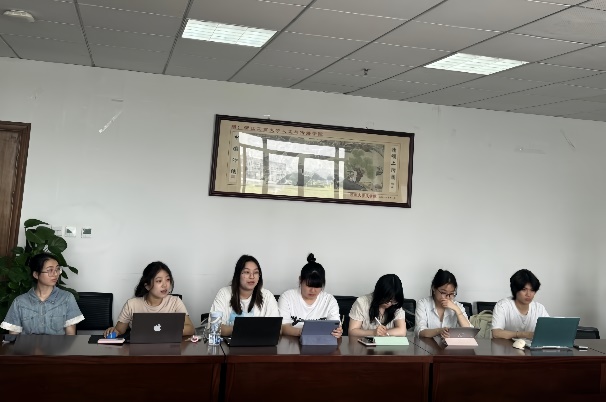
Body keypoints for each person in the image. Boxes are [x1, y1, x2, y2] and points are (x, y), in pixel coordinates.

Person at [103, 261, 194, 337]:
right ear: (147, 285)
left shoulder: (175, 302)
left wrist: (162, 330)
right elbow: (120, 330)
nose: (165, 285)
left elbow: (190, 329)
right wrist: (114, 331)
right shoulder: (132, 304)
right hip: (139, 350)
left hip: (168, 349)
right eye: (159, 281)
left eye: (168, 279)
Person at [1, 252, 84, 335]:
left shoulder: (67, 298)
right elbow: (13, 337)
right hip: (28, 344)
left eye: (57, 269)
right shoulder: (20, 302)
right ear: (36, 274)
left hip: (58, 344)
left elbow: (70, 336)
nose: (55, 274)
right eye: (50, 270)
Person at [209, 254, 280, 336]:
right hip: (229, 343)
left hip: (260, 343)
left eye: (256, 272)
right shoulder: (224, 294)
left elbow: (277, 328)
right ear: (238, 274)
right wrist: (247, 328)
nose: (252, 276)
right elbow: (214, 328)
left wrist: (243, 328)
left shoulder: (267, 296)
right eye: (247, 272)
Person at [278, 253, 342, 338]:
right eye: (309, 285)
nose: (313, 290)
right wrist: (303, 332)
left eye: (317, 286)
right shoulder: (287, 297)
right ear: (300, 280)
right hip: (293, 342)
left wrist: (338, 331)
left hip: (321, 343)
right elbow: (283, 327)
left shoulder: (329, 300)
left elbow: (335, 325)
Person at [491, 269, 549, 339]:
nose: (528, 294)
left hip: (530, 346)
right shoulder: (503, 306)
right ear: (515, 290)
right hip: (506, 345)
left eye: (532, 290)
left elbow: (549, 330)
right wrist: (523, 334)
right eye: (524, 289)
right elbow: (496, 333)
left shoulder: (539, 308)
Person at [415, 269, 471, 338]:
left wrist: (457, 310)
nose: (447, 297)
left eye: (451, 294)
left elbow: (469, 332)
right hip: (428, 344)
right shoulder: (423, 304)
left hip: (450, 344)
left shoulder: (457, 306)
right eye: (443, 293)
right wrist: (439, 331)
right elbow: (420, 331)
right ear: (434, 288)